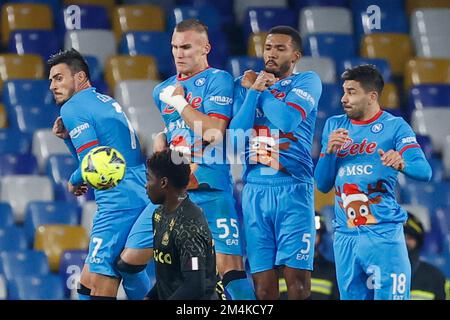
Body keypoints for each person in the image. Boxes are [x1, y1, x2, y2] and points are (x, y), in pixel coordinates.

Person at [152, 19, 255, 300]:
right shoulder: (161, 90)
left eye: (186, 47)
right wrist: (161, 146)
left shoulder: (217, 79)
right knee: (152, 268)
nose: (178, 53)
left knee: (231, 272)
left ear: (205, 48)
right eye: (174, 47)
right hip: (175, 197)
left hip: (211, 189)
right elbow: (178, 135)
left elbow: (213, 132)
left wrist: (181, 104)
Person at [314, 64, 432, 300]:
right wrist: (328, 153)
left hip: (383, 234)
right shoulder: (334, 125)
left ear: (372, 97)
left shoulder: (395, 127)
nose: (344, 99)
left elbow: (425, 171)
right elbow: (323, 184)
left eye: (351, 92)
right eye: (344, 91)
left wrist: (402, 164)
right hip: (345, 236)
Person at [48, 49, 155, 300]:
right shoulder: (105, 100)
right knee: (89, 282)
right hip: (137, 187)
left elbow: (94, 163)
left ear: (80, 76)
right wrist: (68, 141)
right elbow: (102, 159)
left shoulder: (72, 108)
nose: (52, 85)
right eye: (51, 80)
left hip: (117, 200)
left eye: (59, 78)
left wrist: (73, 181)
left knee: (100, 281)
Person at [230, 26, 322, 300]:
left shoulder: (307, 81)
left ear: (295, 55)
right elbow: (235, 140)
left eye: (280, 49)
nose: (271, 53)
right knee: (263, 288)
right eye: (268, 47)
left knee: (298, 284)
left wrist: (263, 91)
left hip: (293, 188)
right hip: (255, 189)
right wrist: (253, 92)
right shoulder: (246, 85)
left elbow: (287, 121)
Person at [145, 150, 217, 300]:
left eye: (148, 179)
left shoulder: (189, 225)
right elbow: (167, 274)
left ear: (163, 182)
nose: (146, 186)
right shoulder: (158, 215)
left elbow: (195, 286)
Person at [279, 213, 339, 300]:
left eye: (313, 235)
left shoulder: (332, 271)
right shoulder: (278, 271)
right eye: (302, 236)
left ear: (320, 237)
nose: (307, 240)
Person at [404, 212, 448, 300]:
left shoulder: (436, 277)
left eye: (410, 238)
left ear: (418, 241)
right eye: (401, 237)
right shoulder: (375, 274)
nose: (404, 242)